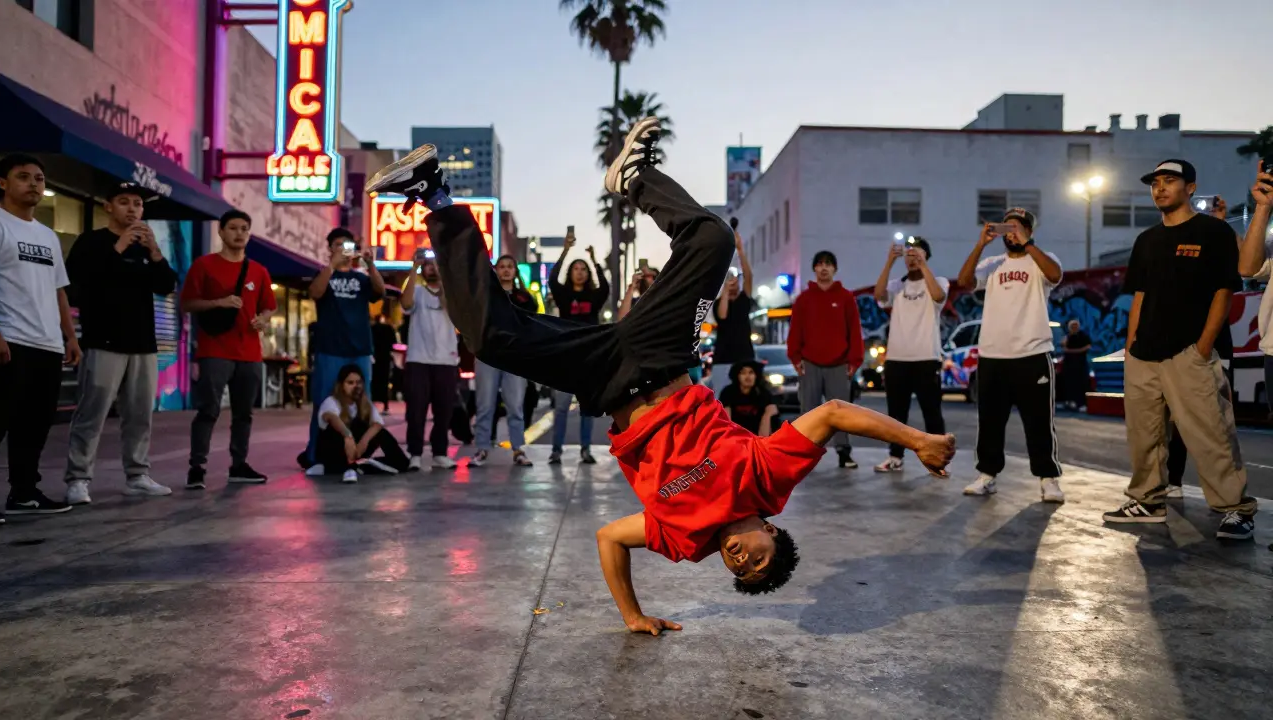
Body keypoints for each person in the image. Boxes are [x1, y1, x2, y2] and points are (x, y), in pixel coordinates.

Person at [364, 117, 955, 633]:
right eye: (755, 558)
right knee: (714, 237)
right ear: (773, 533)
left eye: (738, 572)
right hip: (664, 356)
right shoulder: (768, 477)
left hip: (604, 381)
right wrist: (920, 438)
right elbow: (831, 413)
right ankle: (634, 178)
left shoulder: (685, 540)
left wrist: (632, 615)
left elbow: (610, 539)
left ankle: (434, 196)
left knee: (493, 338)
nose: (738, 560)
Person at [1103, 160, 1256, 539]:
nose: (1160, 188)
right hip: (1144, 355)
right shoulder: (1147, 240)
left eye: (1169, 181)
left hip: (1190, 353)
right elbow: (1139, 295)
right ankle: (1147, 500)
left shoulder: (1213, 232)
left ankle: (1236, 509)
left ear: (1190, 187)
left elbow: (1225, 292)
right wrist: (1130, 350)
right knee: (1145, 436)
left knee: (1211, 435)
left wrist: (1202, 347)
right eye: (1155, 183)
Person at [61, 181, 179, 504]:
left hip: (143, 343)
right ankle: (78, 478)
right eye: (124, 202)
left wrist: (155, 253)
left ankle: (137, 474)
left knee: (140, 413)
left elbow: (167, 286)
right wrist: (118, 248)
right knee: (92, 412)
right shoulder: (92, 242)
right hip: (103, 341)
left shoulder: (146, 248)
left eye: (137, 204)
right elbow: (78, 286)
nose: (132, 209)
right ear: (108, 206)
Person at [0, 154, 82, 521]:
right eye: (23, 176)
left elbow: (59, 290)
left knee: (34, 424)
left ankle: (24, 492)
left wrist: (70, 337)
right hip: (9, 341)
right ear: (2, 182)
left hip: (47, 344)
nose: (33, 183)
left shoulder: (46, 235)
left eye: (39, 178)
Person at [956, 208, 1065, 503]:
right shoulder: (992, 264)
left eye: (1018, 227)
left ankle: (1048, 478)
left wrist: (1027, 243)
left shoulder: (1043, 260)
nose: (1012, 232)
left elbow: (1056, 275)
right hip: (993, 355)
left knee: (1039, 421)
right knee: (990, 421)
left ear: (1029, 231)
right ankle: (987, 475)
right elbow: (964, 282)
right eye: (1008, 227)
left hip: (1033, 353)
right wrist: (981, 244)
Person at [180, 209, 275, 489]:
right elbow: (187, 304)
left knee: (244, 413)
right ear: (221, 232)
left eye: (244, 228)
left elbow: (269, 305)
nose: (239, 233)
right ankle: (197, 467)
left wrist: (263, 319)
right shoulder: (204, 265)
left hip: (249, 352)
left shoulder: (259, 271)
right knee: (208, 409)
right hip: (215, 349)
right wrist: (217, 303)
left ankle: (238, 465)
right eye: (233, 228)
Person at [1166, 194, 1235, 499]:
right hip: (1177, 347)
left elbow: (1244, 261)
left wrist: (1222, 223)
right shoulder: (1174, 250)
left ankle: (1229, 497)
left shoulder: (1220, 251)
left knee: (1218, 423)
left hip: (1216, 347)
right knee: (1175, 421)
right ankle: (1173, 481)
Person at [301, 228, 385, 472]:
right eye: (338, 245)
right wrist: (331, 266)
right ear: (330, 248)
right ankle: (315, 454)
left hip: (359, 349)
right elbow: (314, 293)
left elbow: (380, 293)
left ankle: (356, 453)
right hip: (330, 349)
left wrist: (370, 265)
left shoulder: (361, 278)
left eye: (347, 245)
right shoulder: (324, 275)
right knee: (324, 402)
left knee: (361, 404)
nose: (343, 249)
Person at [872, 236, 948, 472]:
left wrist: (923, 265)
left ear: (926, 256)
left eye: (918, 254)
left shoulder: (939, 282)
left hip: (926, 358)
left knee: (931, 412)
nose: (912, 258)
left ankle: (938, 460)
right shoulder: (897, 285)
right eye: (909, 255)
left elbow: (938, 297)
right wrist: (889, 262)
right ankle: (895, 457)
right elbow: (879, 295)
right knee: (896, 414)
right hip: (897, 359)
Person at [787, 250, 864, 469]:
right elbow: (795, 331)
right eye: (820, 264)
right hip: (809, 364)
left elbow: (855, 332)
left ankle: (844, 453)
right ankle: (802, 454)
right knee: (808, 412)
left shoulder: (846, 298)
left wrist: (854, 361)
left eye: (828, 264)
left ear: (835, 269)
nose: (824, 268)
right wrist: (795, 357)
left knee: (842, 414)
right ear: (814, 269)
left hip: (839, 365)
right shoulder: (804, 299)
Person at [471, 254, 539, 467]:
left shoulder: (524, 298)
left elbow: (531, 321)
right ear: (496, 270)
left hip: (514, 357)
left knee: (515, 406)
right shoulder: (486, 296)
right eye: (502, 267)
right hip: (488, 355)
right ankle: (481, 448)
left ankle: (518, 449)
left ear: (515, 271)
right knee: (484, 405)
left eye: (510, 266)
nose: (506, 270)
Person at [547, 231, 610, 464]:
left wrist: (594, 260)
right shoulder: (563, 296)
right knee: (561, 407)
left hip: (588, 358)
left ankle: (586, 449)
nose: (580, 272)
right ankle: (556, 450)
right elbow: (553, 279)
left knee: (587, 408)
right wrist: (565, 250)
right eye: (577, 268)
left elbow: (604, 287)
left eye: (584, 269)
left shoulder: (594, 297)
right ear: (571, 272)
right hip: (566, 357)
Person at [400, 253, 459, 470]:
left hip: (446, 359)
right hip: (418, 359)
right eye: (428, 265)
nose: (431, 268)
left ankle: (439, 453)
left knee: (443, 411)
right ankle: (414, 453)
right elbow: (405, 304)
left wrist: (443, 274)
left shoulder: (452, 293)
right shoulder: (415, 291)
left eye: (435, 264)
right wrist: (414, 268)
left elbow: (448, 307)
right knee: (416, 409)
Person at [311, 364, 410, 484]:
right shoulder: (331, 401)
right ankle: (347, 467)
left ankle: (361, 466)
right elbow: (331, 417)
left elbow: (378, 424)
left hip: (356, 451)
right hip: (334, 451)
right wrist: (348, 436)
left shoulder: (364, 403)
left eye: (358, 382)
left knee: (380, 434)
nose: (355, 386)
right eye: (350, 383)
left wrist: (364, 441)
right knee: (343, 426)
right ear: (341, 385)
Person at [710, 219, 755, 397]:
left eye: (736, 281)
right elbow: (722, 315)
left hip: (744, 358)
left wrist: (740, 250)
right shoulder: (720, 302)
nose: (734, 284)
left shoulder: (744, 300)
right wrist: (726, 292)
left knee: (745, 400)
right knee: (722, 399)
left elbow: (749, 276)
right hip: (723, 358)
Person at [718, 360, 778, 437]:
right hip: (735, 437)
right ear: (737, 376)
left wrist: (767, 414)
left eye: (751, 373)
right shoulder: (728, 392)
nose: (748, 376)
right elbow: (726, 422)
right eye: (743, 373)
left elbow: (765, 433)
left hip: (757, 436)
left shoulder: (763, 393)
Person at [1058, 319, 1092, 411]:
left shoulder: (1083, 336)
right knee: (1068, 383)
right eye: (1072, 326)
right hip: (1069, 364)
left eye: (1076, 326)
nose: (1074, 328)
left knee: (1081, 384)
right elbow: (1063, 347)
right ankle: (1069, 401)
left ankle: (1081, 403)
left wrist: (1072, 351)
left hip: (1080, 364)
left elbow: (1088, 347)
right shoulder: (1067, 337)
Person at [371, 315, 399, 414]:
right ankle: (385, 405)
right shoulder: (389, 329)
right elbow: (394, 343)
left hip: (374, 359)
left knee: (373, 381)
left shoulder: (372, 329)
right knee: (384, 381)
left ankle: (372, 404)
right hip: (385, 359)